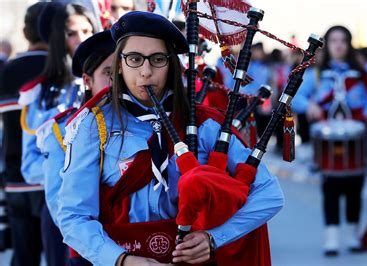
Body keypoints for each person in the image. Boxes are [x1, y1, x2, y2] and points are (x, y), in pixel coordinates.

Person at [56, 11, 284, 266]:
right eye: (134, 59)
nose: (145, 71)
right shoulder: (93, 125)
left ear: (171, 64)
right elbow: (73, 216)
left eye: (157, 59)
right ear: (119, 65)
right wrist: (121, 260)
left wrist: (213, 238)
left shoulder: (205, 124)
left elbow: (270, 193)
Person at [19, 3, 98, 265]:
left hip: (111, 207)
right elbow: (29, 165)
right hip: (59, 208)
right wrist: (75, 169)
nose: (82, 40)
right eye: (71, 33)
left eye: (87, 30)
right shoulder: (42, 94)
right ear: (57, 39)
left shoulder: (112, 83)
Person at [302, 25, 367, 255]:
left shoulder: (359, 76)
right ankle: (332, 237)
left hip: (356, 142)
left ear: (349, 45)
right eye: (333, 40)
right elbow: (296, 98)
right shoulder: (315, 74)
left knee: (355, 188)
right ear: (327, 45)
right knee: (331, 189)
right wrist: (310, 106)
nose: (338, 45)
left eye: (343, 40)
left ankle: (353, 235)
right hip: (327, 143)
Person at [0, 2, 50, 265]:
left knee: (23, 258)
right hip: (52, 180)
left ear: (26, 32)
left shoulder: (6, 70)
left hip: (15, 179)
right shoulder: (61, 70)